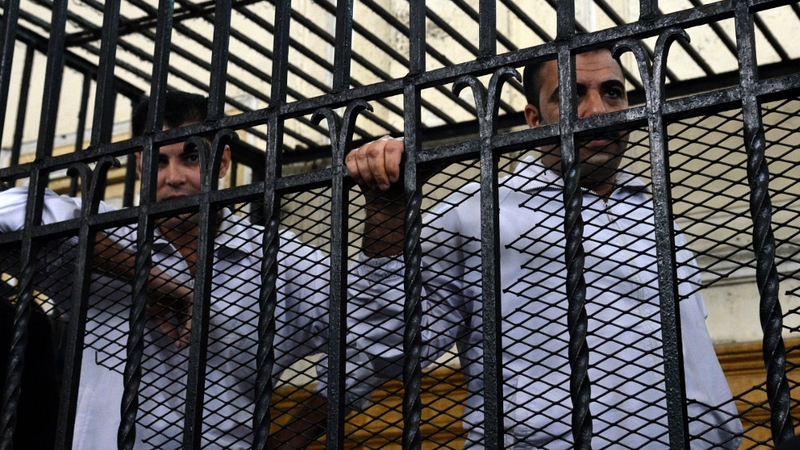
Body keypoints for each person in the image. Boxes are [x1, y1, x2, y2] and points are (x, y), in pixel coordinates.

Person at [346, 49, 744, 448]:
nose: (597, 110)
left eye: (612, 92)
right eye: (571, 95)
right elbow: (392, 347)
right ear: (534, 118)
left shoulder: (659, 217)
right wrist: (386, 211)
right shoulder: (479, 212)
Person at [0, 91, 376, 448]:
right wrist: (145, 277)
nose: (174, 177)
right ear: (140, 165)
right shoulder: (101, 237)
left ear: (223, 161)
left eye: (191, 158)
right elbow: (9, 212)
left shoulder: (274, 259)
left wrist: (292, 437)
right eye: (158, 161)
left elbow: (373, 331)